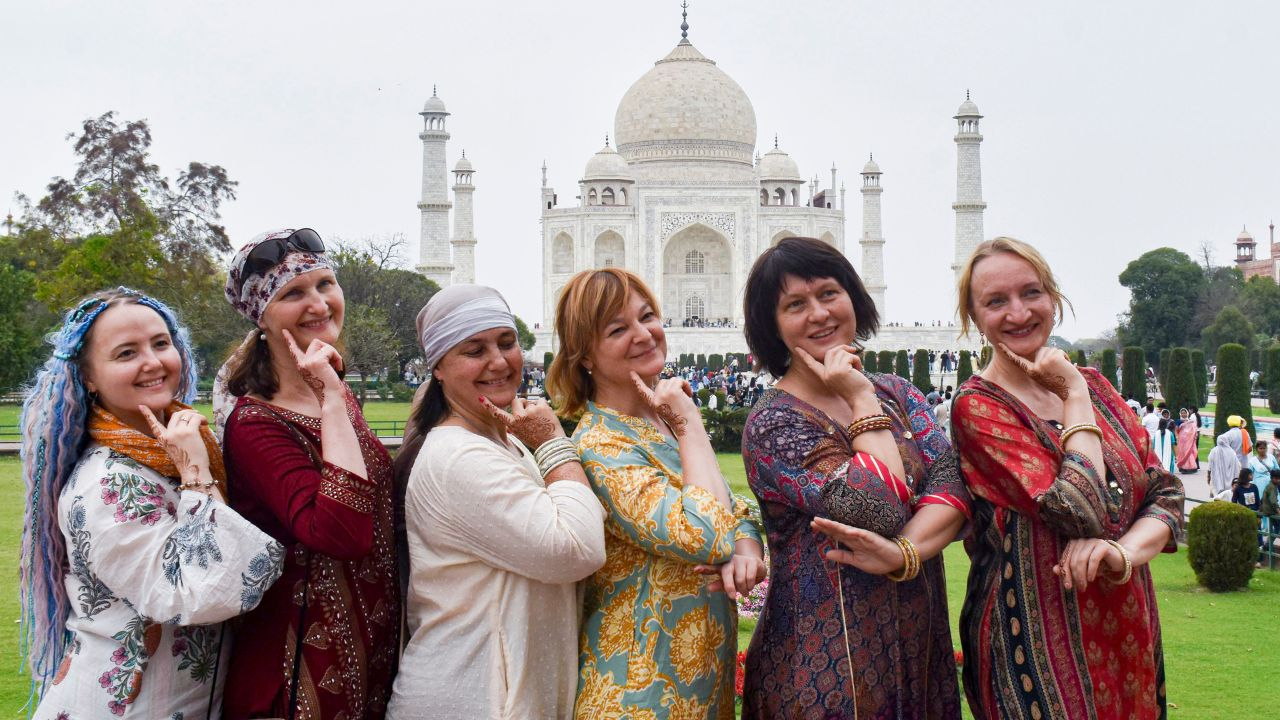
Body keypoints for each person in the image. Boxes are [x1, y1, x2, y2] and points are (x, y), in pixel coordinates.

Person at [19, 288, 283, 718]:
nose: (153, 362)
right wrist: (196, 473)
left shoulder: (174, 450)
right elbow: (198, 595)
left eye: (161, 344)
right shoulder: (107, 482)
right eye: (126, 353)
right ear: (88, 377)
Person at [951, 237, 1183, 720]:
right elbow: (1079, 508)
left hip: (1127, 623)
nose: (1018, 312)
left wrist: (1120, 552)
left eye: (1031, 293)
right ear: (974, 318)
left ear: (1052, 297)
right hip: (1032, 640)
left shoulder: (1099, 385)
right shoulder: (980, 406)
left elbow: (1166, 493)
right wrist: (1075, 396)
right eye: (996, 302)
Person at [739, 237, 971, 718]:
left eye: (829, 293)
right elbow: (877, 507)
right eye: (796, 305)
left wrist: (900, 554)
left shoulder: (899, 392)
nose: (819, 313)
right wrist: (861, 401)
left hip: (916, 649)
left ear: (853, 298)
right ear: (772, 325)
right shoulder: (774, 423)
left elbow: (952, 487)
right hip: (820, 667)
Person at [546, 268, 765, 719]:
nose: (644, 334)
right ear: (585, 355)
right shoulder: (600, 446)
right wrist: (691, 423)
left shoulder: (658, 423)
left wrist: (745, 546)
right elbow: (704, 531)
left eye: (647, 316)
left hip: (699, 685)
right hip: (637, 691)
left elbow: (733, 508)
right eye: (618, 328)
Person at [386, 285, 606, 719]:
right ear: (439, 368)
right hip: (469, 694)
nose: (500, 362)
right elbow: (577, 548)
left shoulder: (503, 443)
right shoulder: (458, 456)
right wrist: (553, 443)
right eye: (474, 350)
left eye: (507, 343)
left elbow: (585, 517)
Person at [216, 228, 400, 718]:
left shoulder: (330, 390)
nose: (318, 303)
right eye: (293, 293)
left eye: (325, 284)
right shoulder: (257, 422)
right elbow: (340, 532)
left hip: (369, 647)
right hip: (295, 671)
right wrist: (333, 397)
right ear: (263, 316)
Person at [1207, 431, 1242, 497]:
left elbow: (1210, 466)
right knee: (1228, 496)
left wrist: (1208, 476)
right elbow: (1238, 466)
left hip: (1217, 478)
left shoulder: (1214, 451)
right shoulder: (1231, 452)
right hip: (1231, 478)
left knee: (1217, 496)